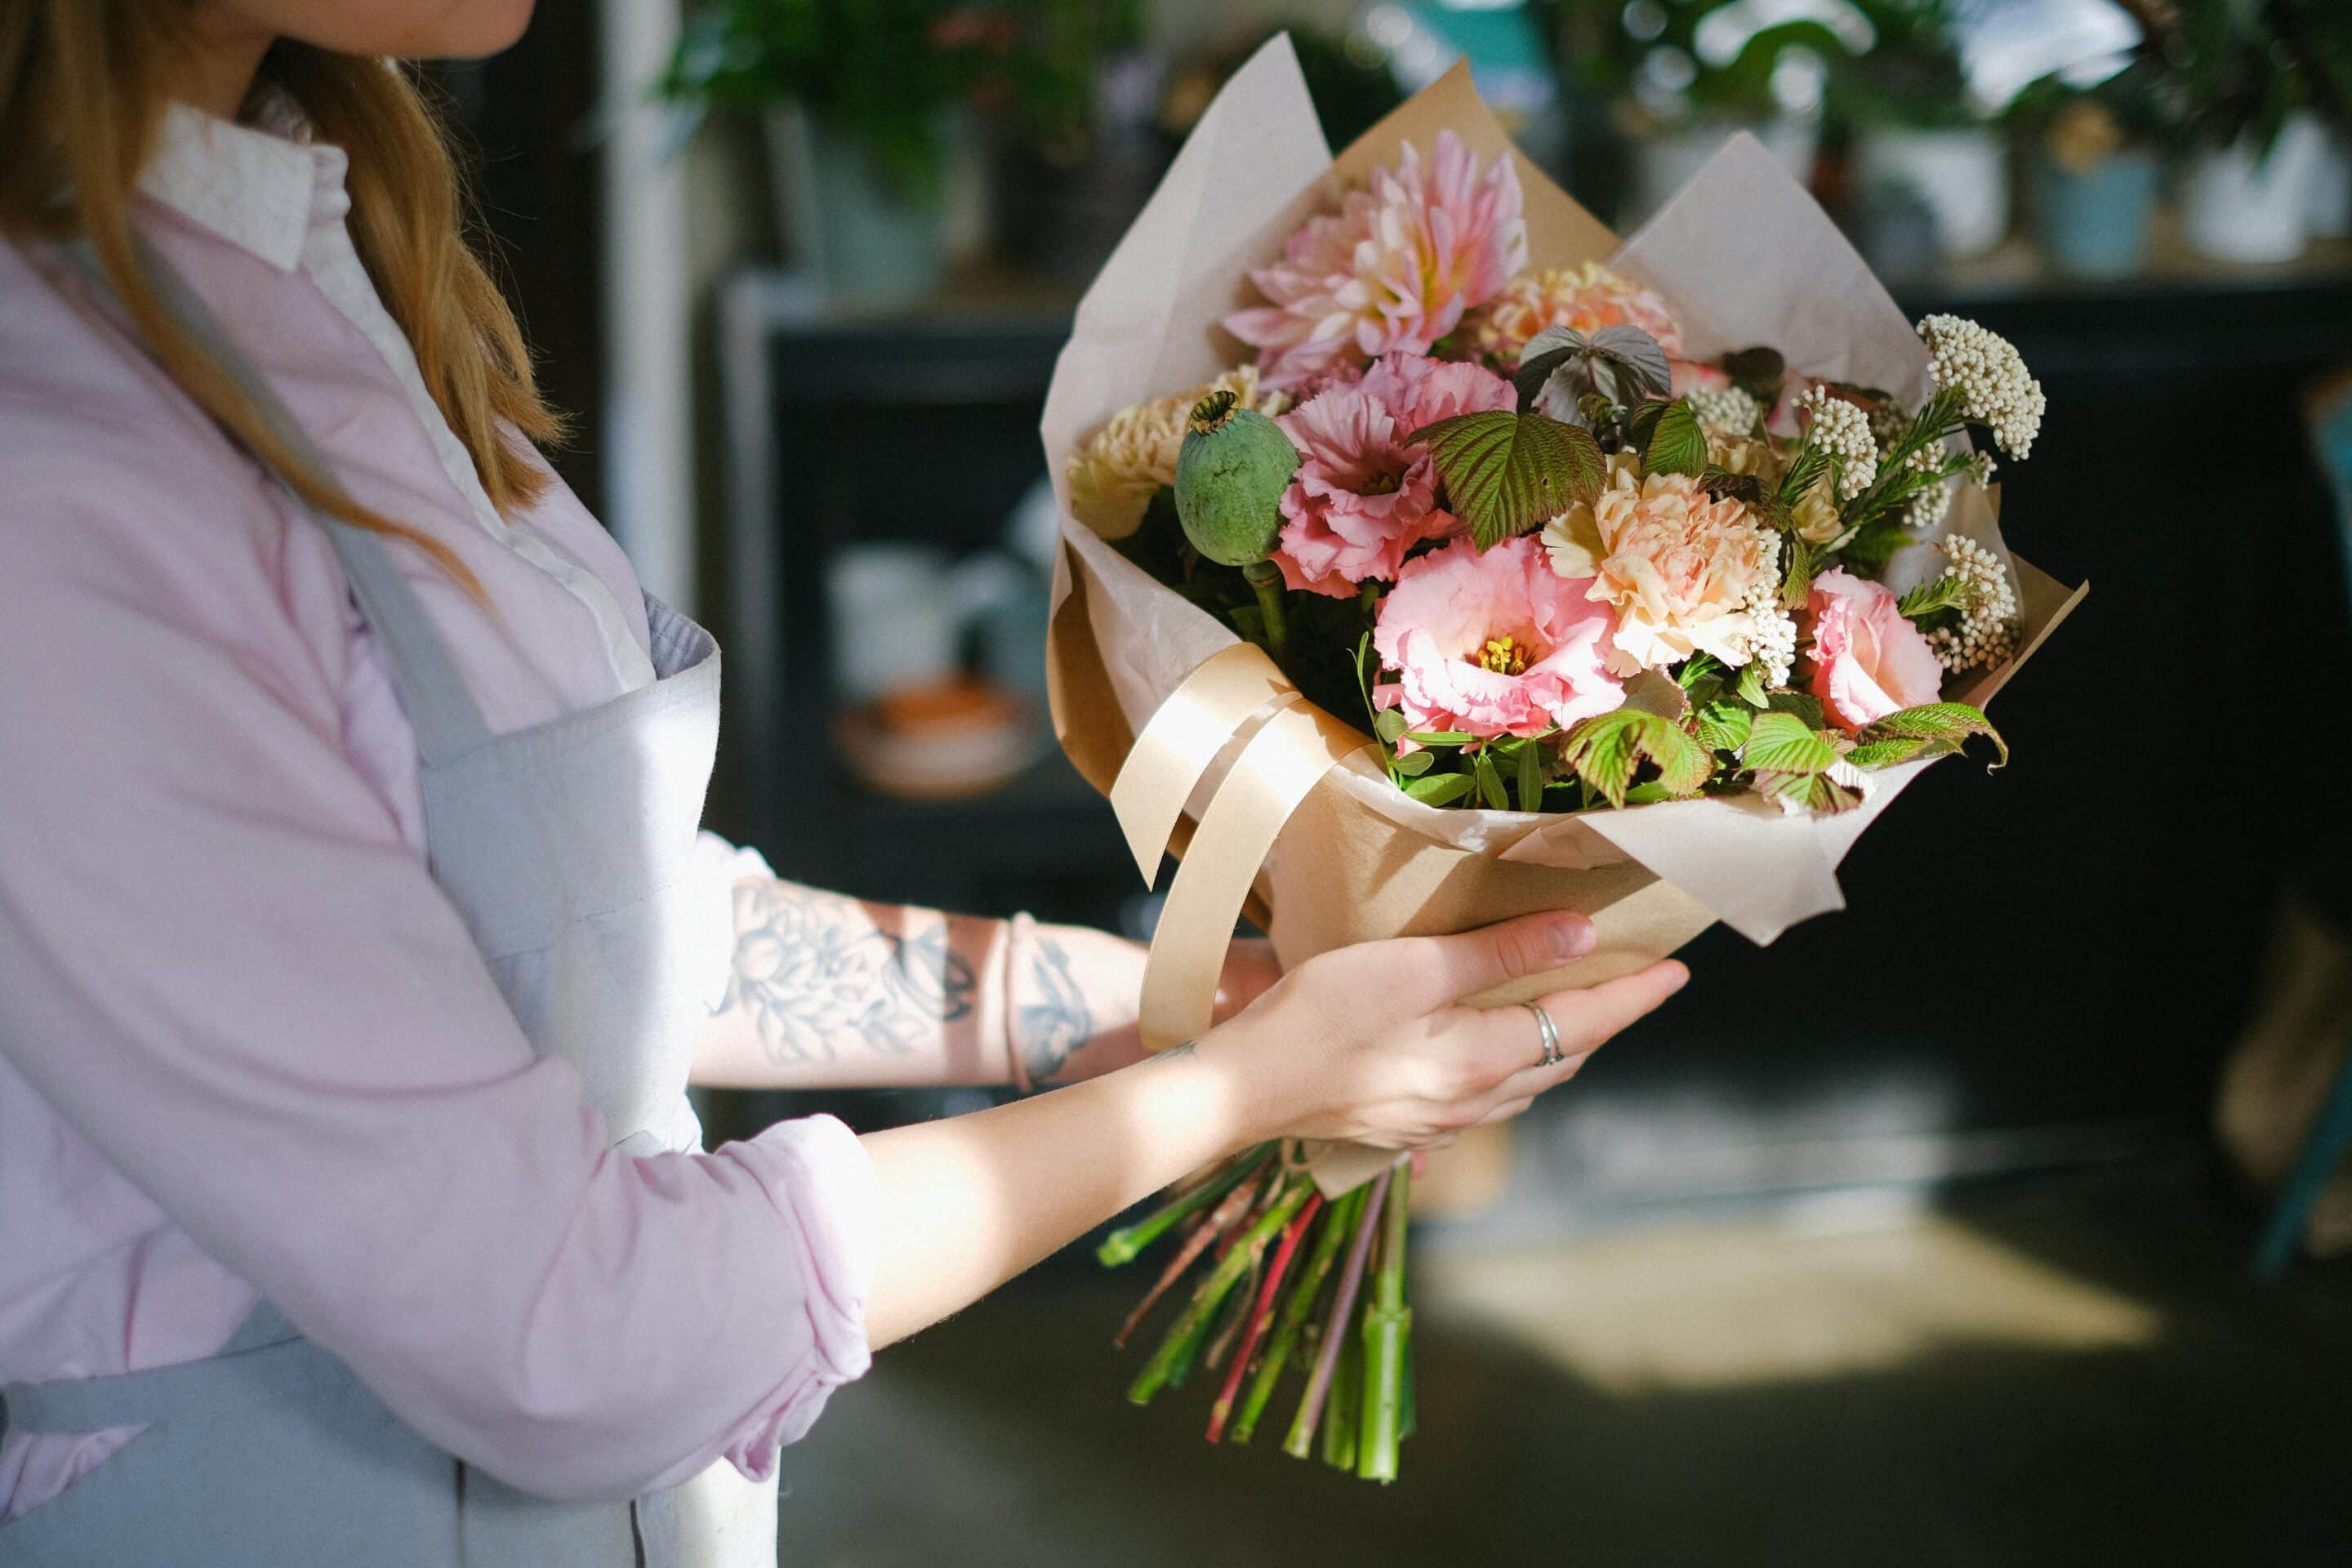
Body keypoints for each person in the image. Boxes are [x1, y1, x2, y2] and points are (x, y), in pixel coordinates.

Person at [0, 2, 1691, 1563]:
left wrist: (1177, 1003)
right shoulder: (57, 484)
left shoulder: (302, 240)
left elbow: (585, 937)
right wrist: (1229, 1098)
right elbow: (581, 1332)